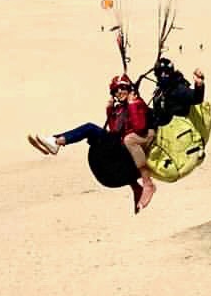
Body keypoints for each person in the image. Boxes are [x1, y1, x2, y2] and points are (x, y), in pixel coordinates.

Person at [29, 73, 157, 213]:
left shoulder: (137, 104)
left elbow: (139, 127)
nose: (119, 92)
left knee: (90, 129)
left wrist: (132, 104)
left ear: (129, 89)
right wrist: (110, 111)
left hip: (130, 147)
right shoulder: (120, 109)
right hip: (121, 151)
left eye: (122, 88)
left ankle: (55, 141)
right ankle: (54, 141)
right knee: (95, 136)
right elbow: (114, 129)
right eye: (115, 90)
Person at [149, 57, 205, 128]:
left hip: (175, 131)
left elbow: (196, 98)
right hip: (163, 127)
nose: (163, 75)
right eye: (160, 72)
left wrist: (199, 85)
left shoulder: (177, 88)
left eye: (166, 72)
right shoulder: (162, 88)